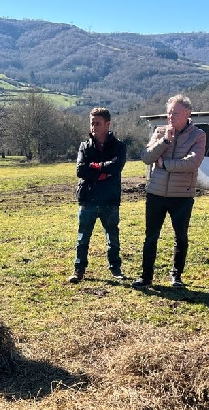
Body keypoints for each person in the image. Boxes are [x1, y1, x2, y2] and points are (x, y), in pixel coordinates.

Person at [131, 94, 206, 289]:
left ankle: (176, 276)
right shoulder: (160, 131)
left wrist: (164, 164)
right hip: (156, 193)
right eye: (169, 112)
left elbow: (192, 162)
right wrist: (164, 141)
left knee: (180, 237)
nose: (171, 116)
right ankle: (146, 276)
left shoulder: (198, 135)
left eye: (176, 112)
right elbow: (146, 157)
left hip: (182, 196)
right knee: (151, 236)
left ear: (187, 113)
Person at [68, 107, 127, 283]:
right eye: (92, 123)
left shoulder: (119, 147)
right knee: (82, 237)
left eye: (97, 123)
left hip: (110, 199)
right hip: (88, 198)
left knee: (112, 237)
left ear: (107, 124)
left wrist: (93, 167)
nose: (93, 127)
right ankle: (79, 269)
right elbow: (80, 171)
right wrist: (103, 169)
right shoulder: (84, 146)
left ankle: (116, 269)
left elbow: (116, 168)